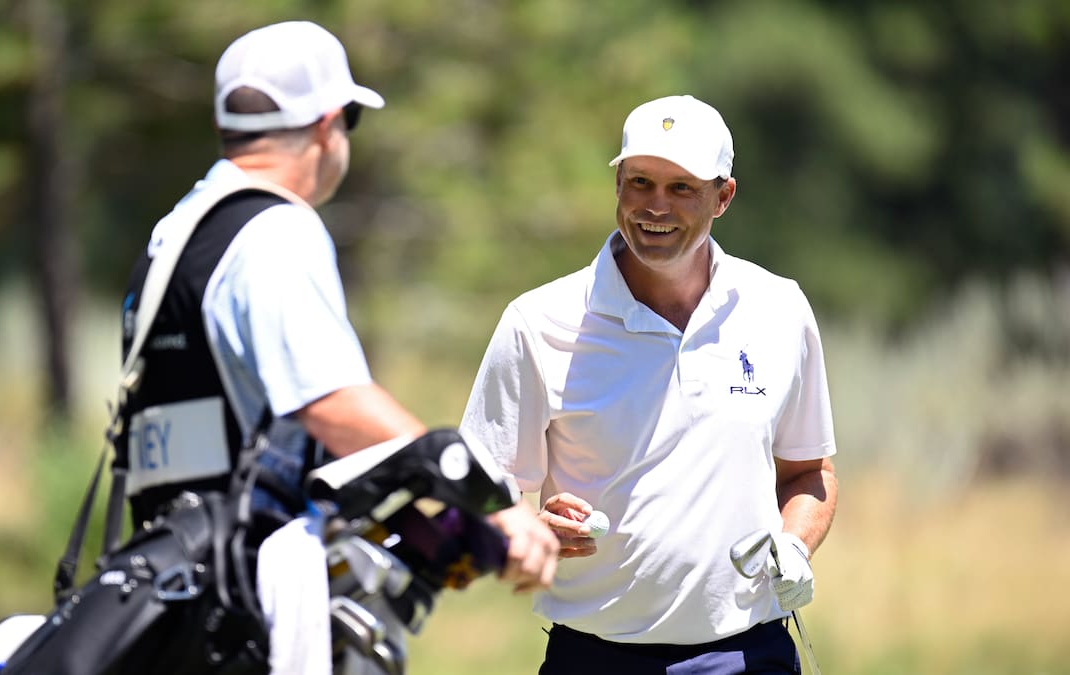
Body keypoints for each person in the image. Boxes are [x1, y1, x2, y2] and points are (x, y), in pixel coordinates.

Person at [118, 20, 559, 599]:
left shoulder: (177, 232)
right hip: (249, 594)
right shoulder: (276, 231)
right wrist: (489, 503)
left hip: (168, 580)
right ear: (328, 126)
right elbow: (334, 405)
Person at [460, 95, 839, 674]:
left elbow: (809, 471)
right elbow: (479, 492)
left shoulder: (778, 308)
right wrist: (529, 531)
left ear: (723, 197)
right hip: (593, 658)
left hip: (748, 653)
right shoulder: (538, 321)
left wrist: (794, 547)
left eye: (682, 187)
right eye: (640, 181)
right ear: (617, 184)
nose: (655, 206)